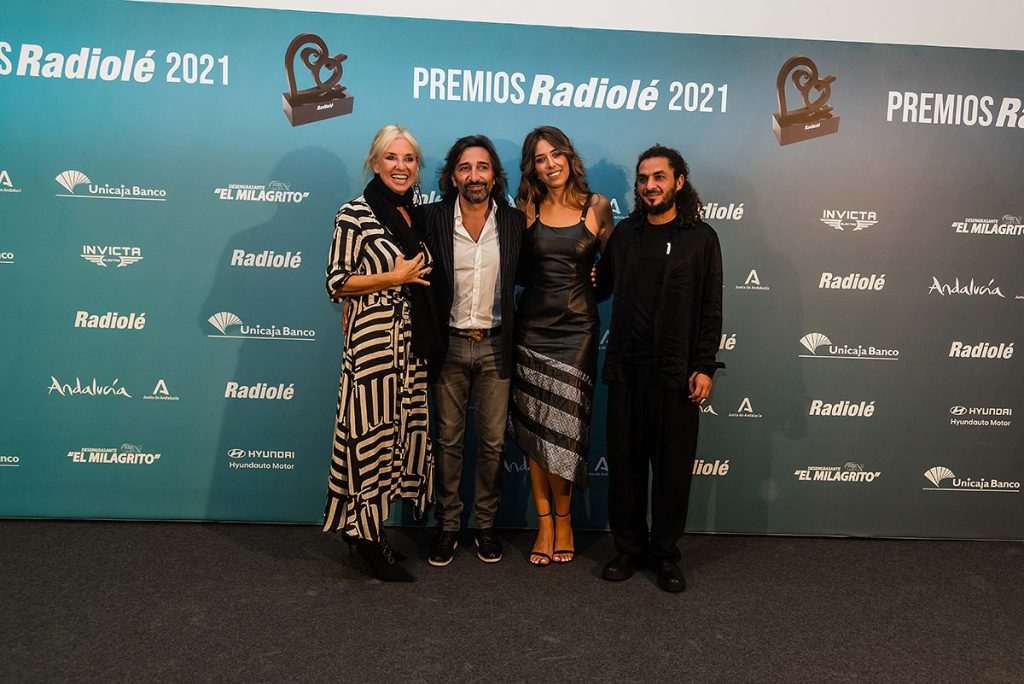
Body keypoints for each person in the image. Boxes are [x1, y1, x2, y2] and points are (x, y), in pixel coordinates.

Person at [594, 144, 724, 593]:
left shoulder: (701, 238)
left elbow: (711, 307)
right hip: (627, 371)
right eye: (643, 178)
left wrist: (704, 366)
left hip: (677, 374)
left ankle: (665, 554)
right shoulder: (625, 235)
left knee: (672, 473)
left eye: (659, 177)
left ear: (679, 182)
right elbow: (599, 285)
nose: (650, 186)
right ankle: (629, 549)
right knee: (625, 470)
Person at [322, 124, 442, 582]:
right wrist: (392, 279)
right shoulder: (354, 213)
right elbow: (337, 281)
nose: (401, 166)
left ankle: (366, 530)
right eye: (391, 157)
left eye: (409, 159)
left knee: (397, 438)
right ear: (375, 163)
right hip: (373, 346)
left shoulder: (417, 215)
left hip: (411, 346)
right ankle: (369, 541)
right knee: (370, 438)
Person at [509, 126, 614, 566]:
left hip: (578, 331)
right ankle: (545, 523)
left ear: (569, 156)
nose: (550, 164)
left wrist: (596, 282)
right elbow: (512, 270)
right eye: (540, 158)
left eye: (555, 154)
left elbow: (614, 269)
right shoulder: (525, 209)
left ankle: (565, 520)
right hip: (532, 329)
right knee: (536, 429)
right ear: (532, 167)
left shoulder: (598, 206)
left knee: (565, 430)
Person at [421, 135, 526, 566]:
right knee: (447, 441)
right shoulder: (431, 218)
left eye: (482, 167)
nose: (474, 176)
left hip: (497, 345)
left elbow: (537, 275)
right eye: (465, 168)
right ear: (453, 176)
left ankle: (484, 525)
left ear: (494, 176)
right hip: (447, 345)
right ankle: (448, 526)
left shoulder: (515, 222)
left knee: (493, 444)